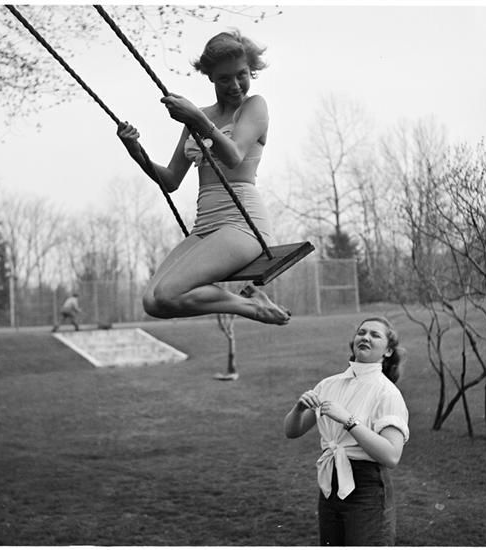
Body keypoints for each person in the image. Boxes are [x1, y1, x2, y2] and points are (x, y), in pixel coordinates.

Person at [116, 30, 290, 326]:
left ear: (250, 70)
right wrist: (136, 151)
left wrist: (197, 119)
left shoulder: (253, 106)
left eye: (241, 74)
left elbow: (234, 155)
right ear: (210, 77)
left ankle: (251, 306)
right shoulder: (198, 116)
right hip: (205, 224)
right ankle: (251, 303)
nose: (235, 85)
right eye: (224, 78)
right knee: (153, 302)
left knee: (168, 293)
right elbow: (170, 180)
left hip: (242, 223)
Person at [284, 317, 409, 546]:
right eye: (362, 332)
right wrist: (299, 408)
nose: (365, 337)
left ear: (388, 351)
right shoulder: (328, 385)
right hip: (330, 485)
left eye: (375, 335)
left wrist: (348, 421)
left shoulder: (387, 393)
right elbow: (292, 431)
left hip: (367, 490)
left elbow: (392, 455)